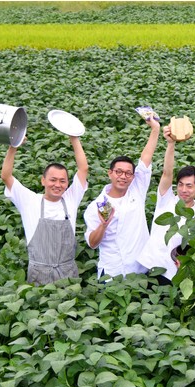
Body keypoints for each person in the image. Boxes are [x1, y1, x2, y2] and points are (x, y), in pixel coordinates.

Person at [1, 135, 88, 285]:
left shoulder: (71, 199)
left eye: (62, 181)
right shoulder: (29, 200)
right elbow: (6, 176)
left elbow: (83, 168)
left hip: (68, 273)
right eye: (53, 180)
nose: (57, 185)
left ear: (68, 183)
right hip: (38, 274)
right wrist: (13, 147)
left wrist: (74, 138)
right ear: (43, 181)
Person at [83, 118, 160, 279]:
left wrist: (155, 130)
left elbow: (145, 159)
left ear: (133, 176)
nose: (123, 176)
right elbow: (92, 243)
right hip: (113, 273)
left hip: (141, 270)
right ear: (110, 173)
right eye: (118, 172)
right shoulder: (97, 205)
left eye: (128, 173)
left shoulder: (136, 191)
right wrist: (103, 225)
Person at [137, 125, 195, 285]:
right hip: (150, 268)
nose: (183, 190)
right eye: (180, 185)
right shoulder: (167, 200)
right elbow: (167, 173)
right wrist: (170, 144)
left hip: (173, 274)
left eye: (189, 186)